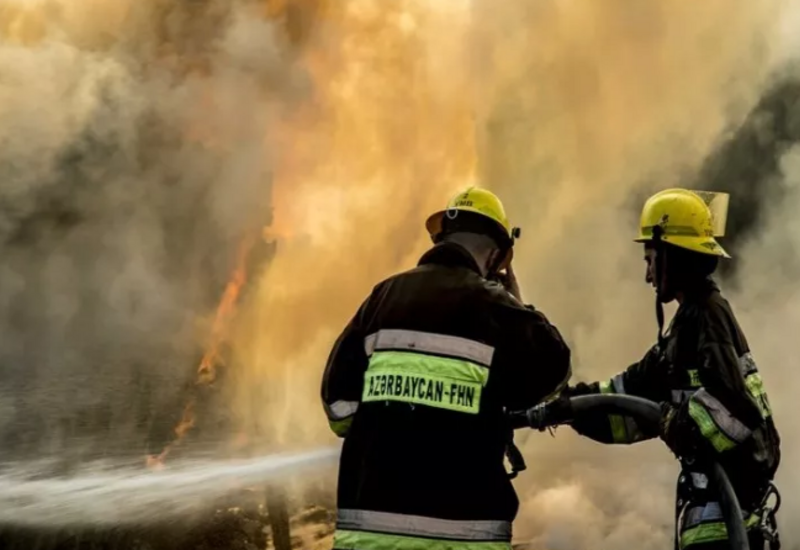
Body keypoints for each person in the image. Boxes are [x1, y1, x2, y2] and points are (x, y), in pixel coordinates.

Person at [320, 186, 572, 550]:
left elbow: (338, 411)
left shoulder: (383, 297)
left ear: (441, 238)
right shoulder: (496, 307)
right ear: (500, 257)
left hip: (371, 533)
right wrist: (519, 302)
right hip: (463, 535)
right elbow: (554, 374)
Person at [551, 188, 781, 550]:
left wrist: (679, 423)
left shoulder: (708, 316)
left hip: (727, 525)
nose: (647, 276)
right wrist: (566, 406)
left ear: (672, 255)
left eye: (650, 259)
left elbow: (737, 409)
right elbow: (629, 400)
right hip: (710, 521)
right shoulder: (685, 328)